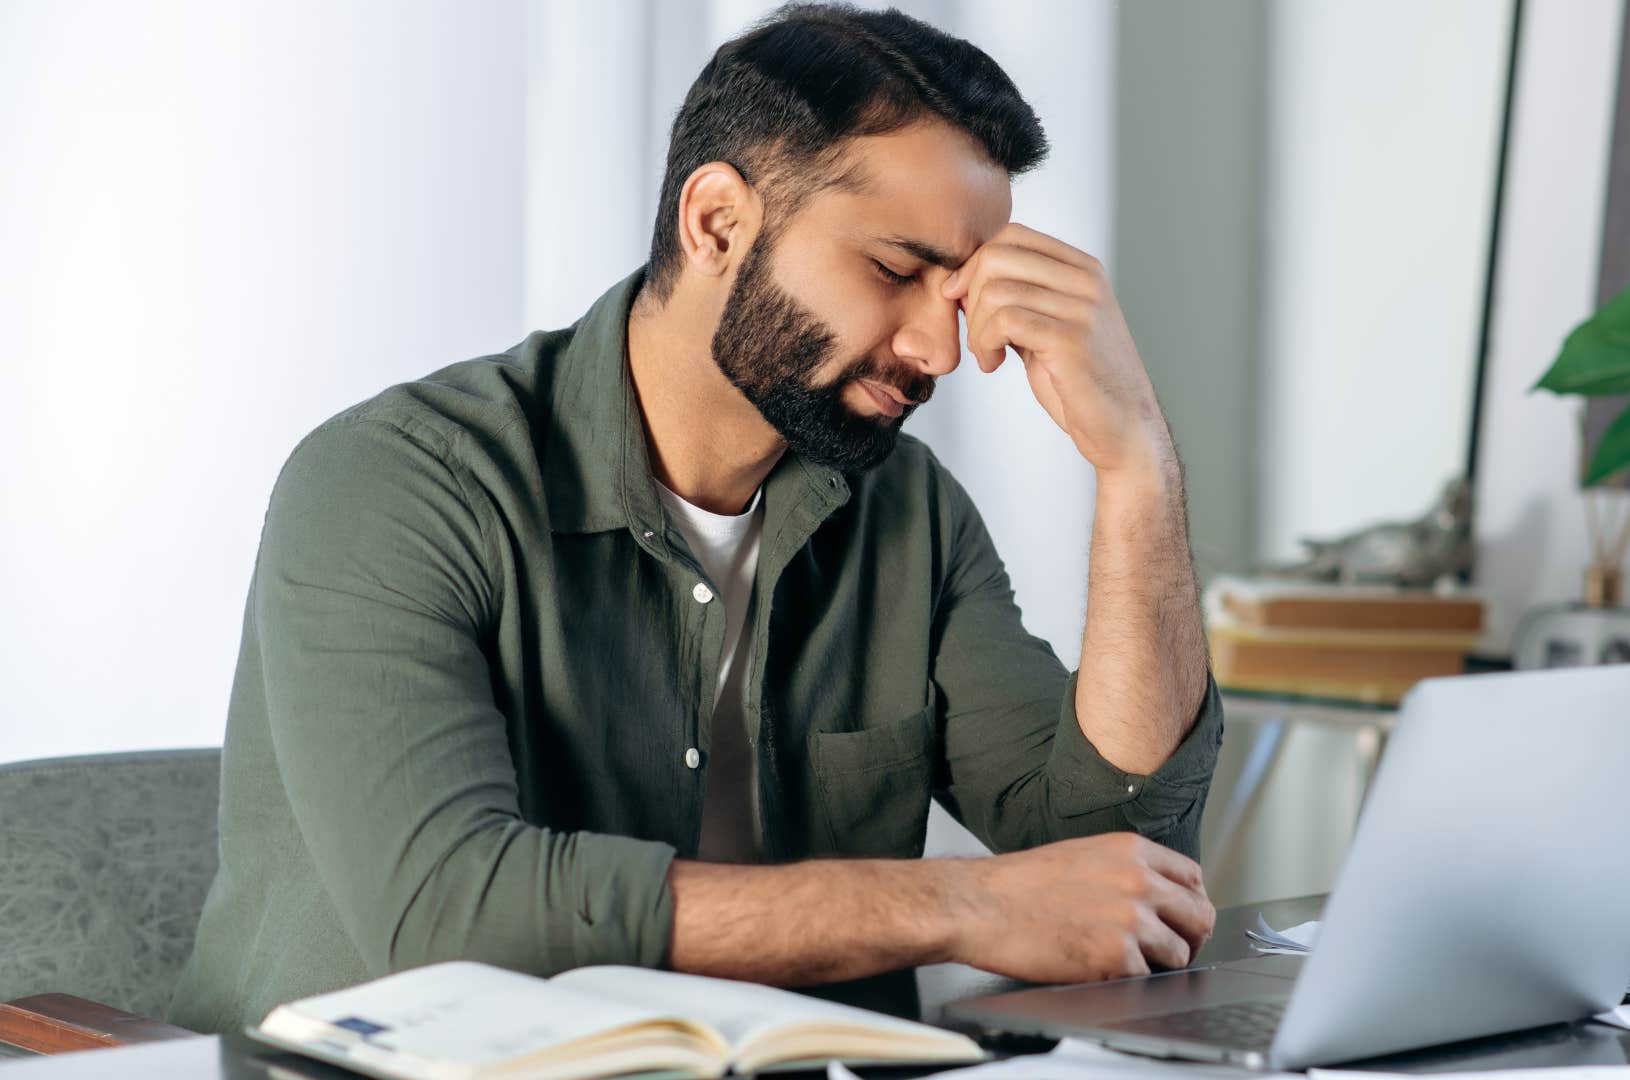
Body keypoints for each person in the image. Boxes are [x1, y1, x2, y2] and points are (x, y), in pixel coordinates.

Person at [168, 2, 1223, 1034]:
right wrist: (959, 906)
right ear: (717, 220)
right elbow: (452, 909)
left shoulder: (906, 513)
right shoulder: (394, 483)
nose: (940, 352)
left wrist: (1136, 466)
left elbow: (1115, 856)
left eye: (955, 297)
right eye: (896, 271)